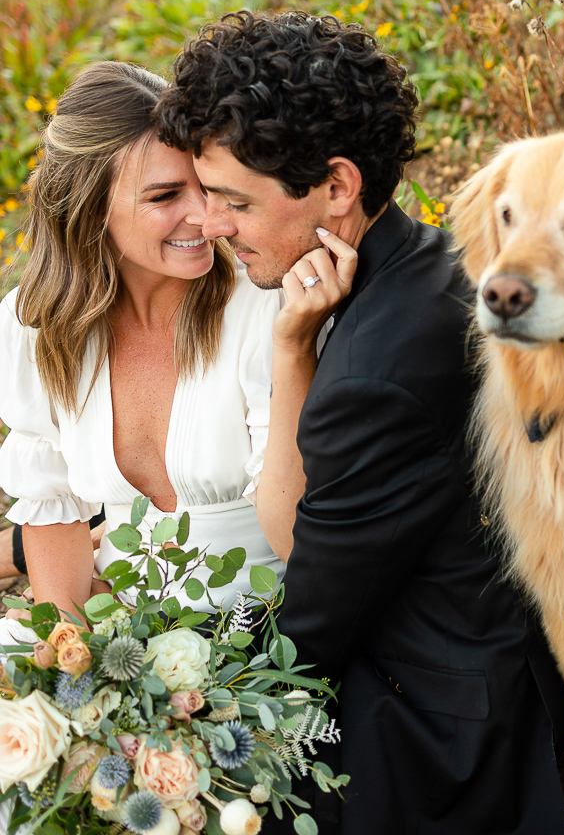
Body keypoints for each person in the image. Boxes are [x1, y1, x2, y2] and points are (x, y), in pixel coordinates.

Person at [155, 11, 564, 835]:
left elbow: (309, 622)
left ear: (336, 185)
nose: (215, 225)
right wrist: (289, 349)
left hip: (430, 730)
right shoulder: (417, 267)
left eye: (235, 200)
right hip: (448, 646)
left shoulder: (378, 372)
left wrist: (176, 710)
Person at [0, 61, 352, 621]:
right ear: (89, 210)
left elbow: (299, 536)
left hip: (265, 632)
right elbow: (53, 512)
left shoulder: (266, 301)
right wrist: (72, 648)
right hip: (120, 634)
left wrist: (295, 348)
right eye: (165, 196)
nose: (209, 220)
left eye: (208, 188)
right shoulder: (34, 328)